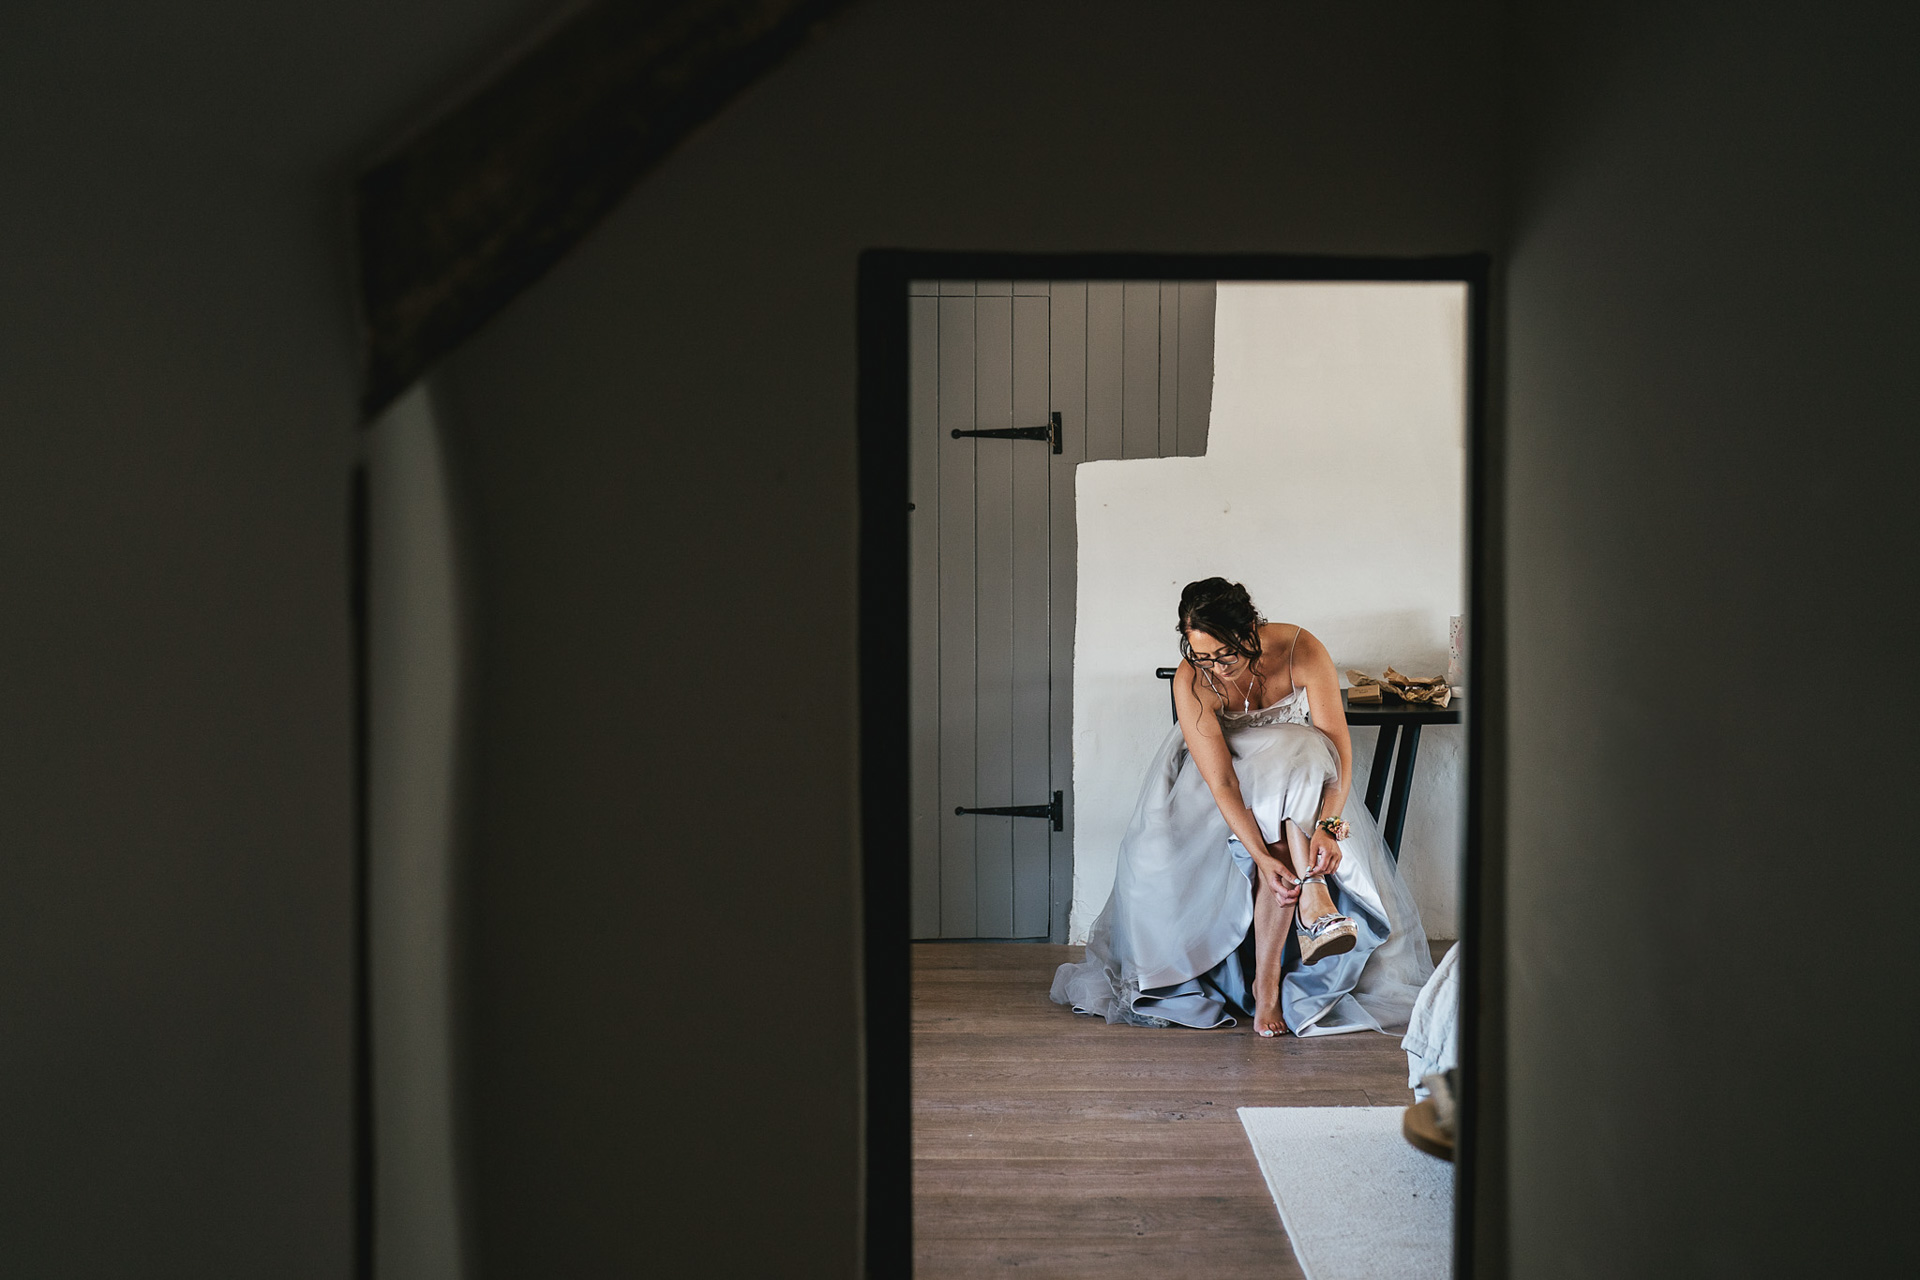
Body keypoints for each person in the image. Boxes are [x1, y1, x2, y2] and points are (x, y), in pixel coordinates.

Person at [1050, 578, 1433, 1037]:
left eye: (1224, 655)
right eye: (1201, 655)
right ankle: (1313, 902)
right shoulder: (1194, 680)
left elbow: (1338, 750)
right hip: (1220, 784)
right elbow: (1222, 780)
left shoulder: (1300, 649)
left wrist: (1330, 826)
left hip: (1299, 778)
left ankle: (1268, 982)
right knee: (1290, 774)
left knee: (1305, 752)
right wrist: (1260, 857)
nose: (1215, 667)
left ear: (1251, 630)